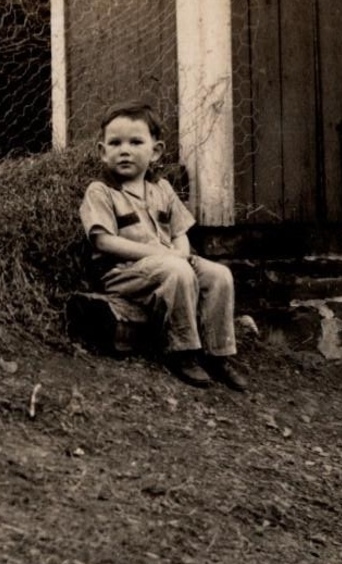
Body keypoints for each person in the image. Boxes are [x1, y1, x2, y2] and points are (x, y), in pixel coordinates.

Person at [78, 101, 249, 391]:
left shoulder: (162, 189)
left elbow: (180, 230)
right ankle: (181, 351)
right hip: (124, 273)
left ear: (155, 151)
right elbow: (103, 240)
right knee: (177, 270)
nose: (124, 150)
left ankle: (219, 353)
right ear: (102, 152)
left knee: (219, 275)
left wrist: (181, 250)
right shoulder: (101, 191)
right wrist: (165, 255)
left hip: (168, 263)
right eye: (115, 143)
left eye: (135, 142)